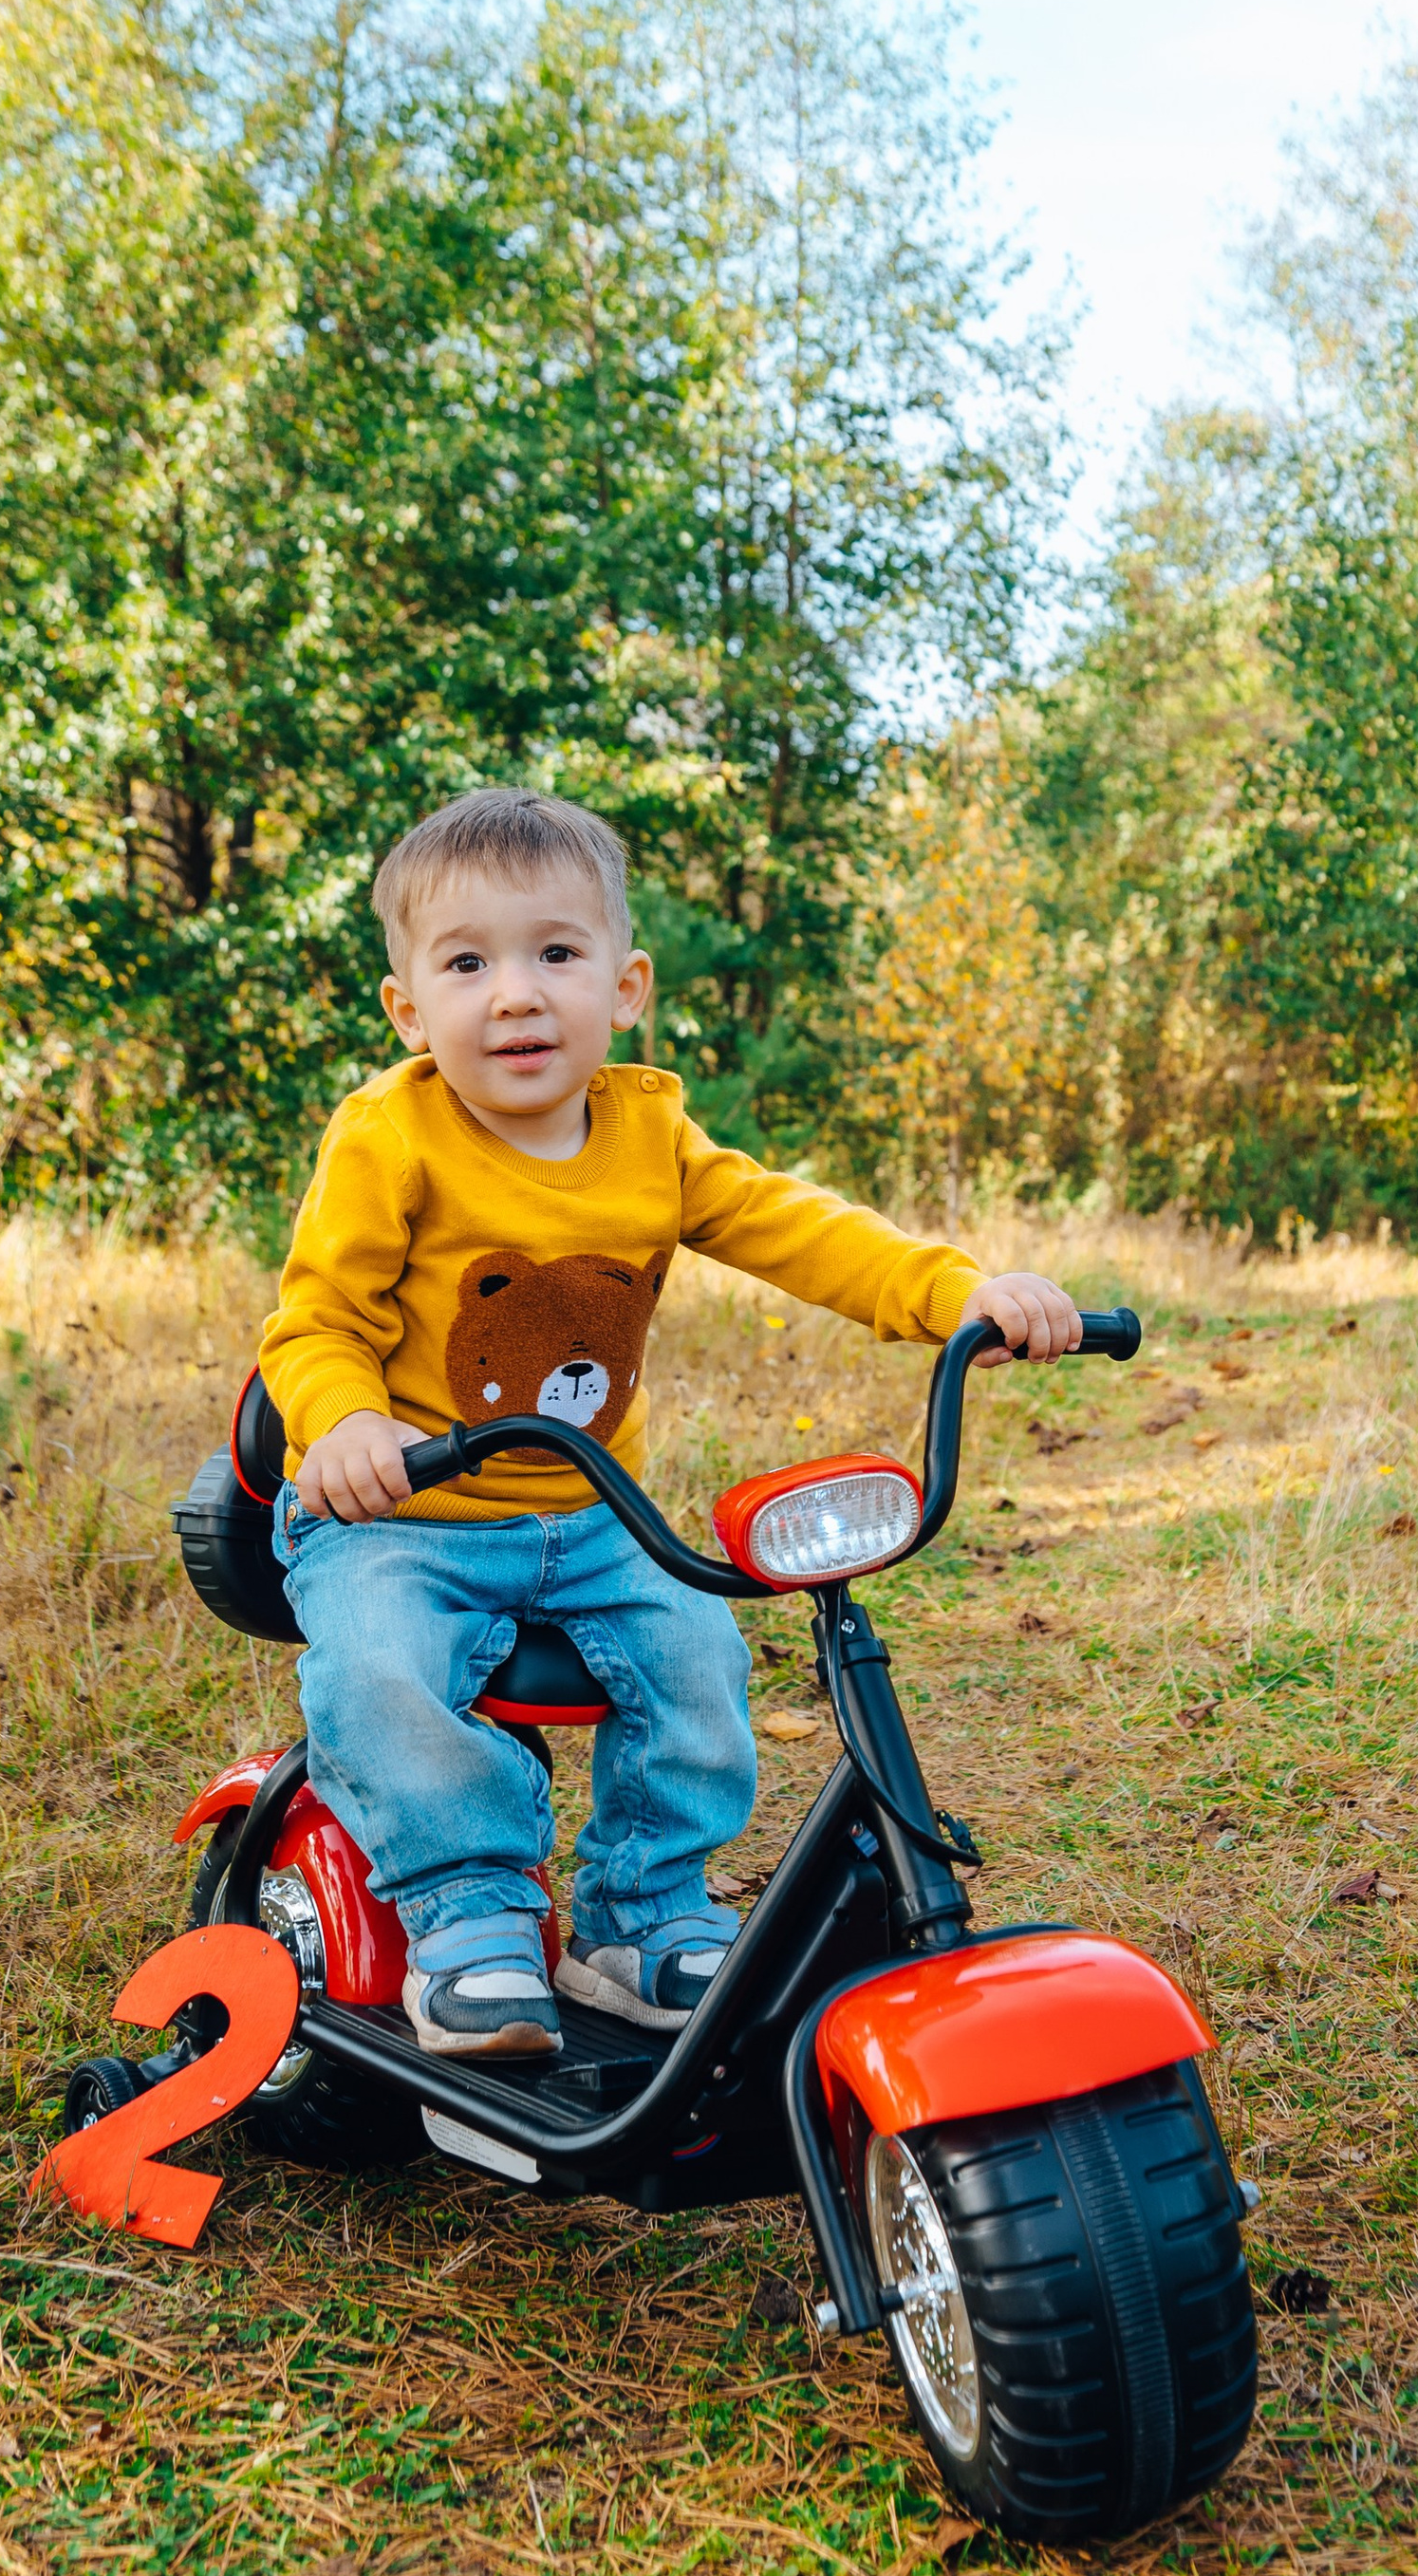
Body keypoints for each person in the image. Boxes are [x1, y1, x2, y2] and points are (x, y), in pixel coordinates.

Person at [258, 788, 1080, 2061]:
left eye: (556, 954)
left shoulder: (649, 1134)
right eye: (468, 964)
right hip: (405, 1514)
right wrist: (346, 1423)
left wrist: (957, 1291)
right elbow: (312, 1320)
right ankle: (470, 1909)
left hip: (592, 1515)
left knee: (699, 1656)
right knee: (375, 1668)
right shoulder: (390, 1137)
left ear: (626, 986)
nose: (517, 996)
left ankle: (638, 1916)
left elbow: (799, 1226)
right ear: (411, 1011)